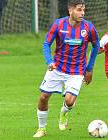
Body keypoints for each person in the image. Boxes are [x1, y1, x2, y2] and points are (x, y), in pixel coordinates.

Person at [33, 0, 100, 138]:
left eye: (83, 10)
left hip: (76, 71)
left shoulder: (88, 27)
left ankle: (64, 113)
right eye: (79, 10)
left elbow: (96, 46)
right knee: (43, 97)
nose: (82, 13)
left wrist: (89, 68)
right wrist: (49, 61)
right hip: (57, 68)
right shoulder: (58, 24)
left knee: (69, 101)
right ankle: (41, 128)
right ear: (70, 11)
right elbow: (46, 44)